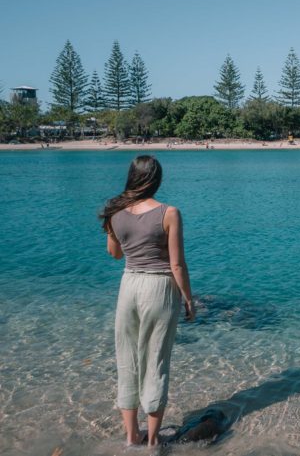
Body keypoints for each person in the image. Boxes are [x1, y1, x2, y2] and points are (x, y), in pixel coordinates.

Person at [99, 155, 195, 447]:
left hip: (129, 285)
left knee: (126, 360)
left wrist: (114, 228)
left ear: (132, 177)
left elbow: (115, 254)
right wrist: (189, 300)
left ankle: (131, 438)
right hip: (159, 286)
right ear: (156, 180)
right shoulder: (169, 212)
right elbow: (177, 264)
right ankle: (153, 441)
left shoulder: (115, 211)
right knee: (155, 361)